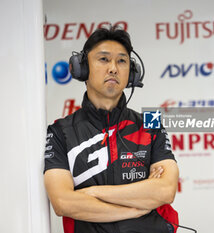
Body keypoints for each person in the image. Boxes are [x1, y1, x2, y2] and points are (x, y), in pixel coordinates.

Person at [44, 26, 179, 233]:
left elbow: (165, 190)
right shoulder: (60, 131)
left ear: (131, 74)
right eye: (104, 59)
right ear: (83, 69)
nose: (113, 68)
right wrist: (136, 207)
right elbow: (63, 202)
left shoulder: (151, 123)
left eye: (122, 61)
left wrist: (92, 193)